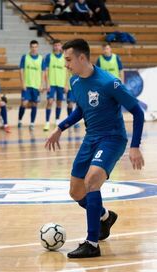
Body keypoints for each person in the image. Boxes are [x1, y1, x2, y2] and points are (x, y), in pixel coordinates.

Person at [45, 39, 145, 258]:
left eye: (69, 59)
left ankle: (92, 243)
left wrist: (135, 146)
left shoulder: (109, 82)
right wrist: (60, 128)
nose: (66, 64)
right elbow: (81, 110)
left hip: (112, 139)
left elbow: (137, 112)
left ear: (82, 58)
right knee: (76, 192)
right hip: (91, 139)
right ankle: (105, 217)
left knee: (91, 182)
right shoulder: (75, 82)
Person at [18, 40, 44, 130]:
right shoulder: (25, 57)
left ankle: (32, 123)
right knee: (24, 103)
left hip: (36, 86)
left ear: (38, 47)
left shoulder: (41, 58)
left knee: (34, 104)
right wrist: (22, 83)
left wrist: (41, 84)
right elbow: (21, 71)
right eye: (32, 47)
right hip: (27, 85)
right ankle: (20, 120)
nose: (34, 49)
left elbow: (43, 72)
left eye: (35, 47)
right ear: (30, 47)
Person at [43, 40, 67, 131]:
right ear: (53, 46)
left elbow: (67, 71)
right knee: (49, 102)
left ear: (61, 46)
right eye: (55, 45)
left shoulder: (64, 57)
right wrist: (47, 83)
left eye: (58, 45)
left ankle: (57, 121)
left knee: (59, 102)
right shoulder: (49, 57)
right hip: (52, 83)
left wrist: (66, 84)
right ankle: (47, 122)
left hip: (61, 83)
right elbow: (45, 71)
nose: (57, 47)